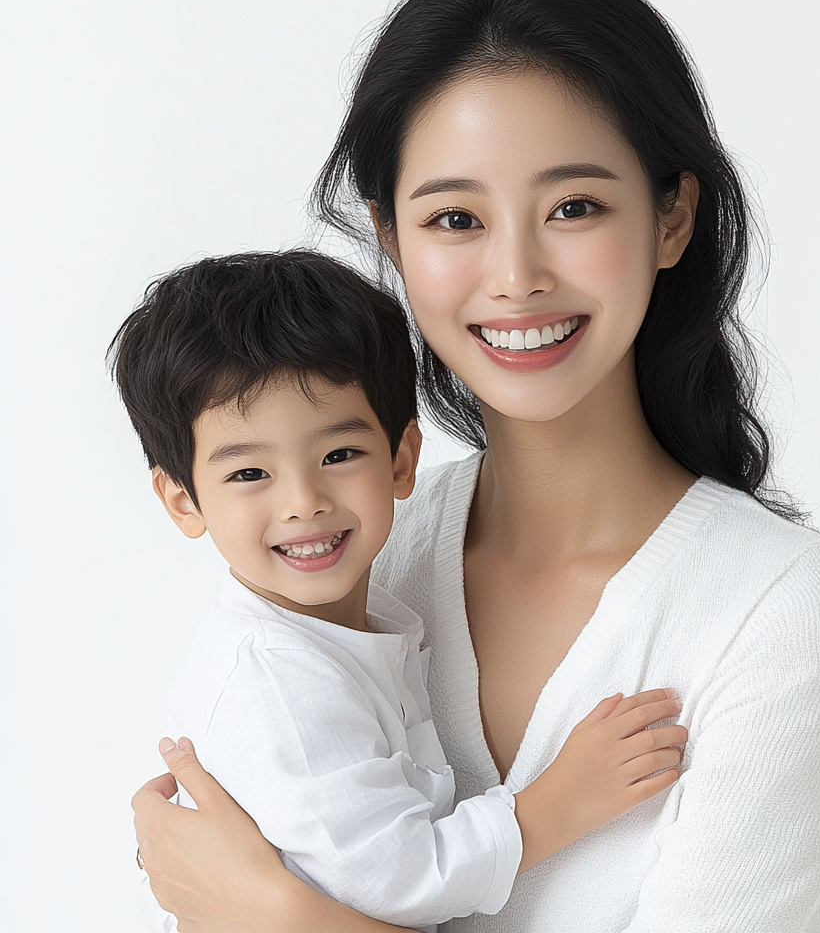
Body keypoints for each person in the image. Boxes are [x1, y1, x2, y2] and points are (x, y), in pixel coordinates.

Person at [132, 0, 820, 933]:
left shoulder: (770, 607)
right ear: (390, 238)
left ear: (672, 216)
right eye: (454, 219)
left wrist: (284, 916)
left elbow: (255, 901)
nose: (516, 274)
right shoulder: (355, 552)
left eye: (573, 207)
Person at [111, 249, 687, 932]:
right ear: (183, 502)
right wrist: (556, 803)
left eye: (338, 456)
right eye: (248, 475)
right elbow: (399, 880)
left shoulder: (369, 616)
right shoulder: (276, 679)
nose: (303, 502)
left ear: (402, 460)